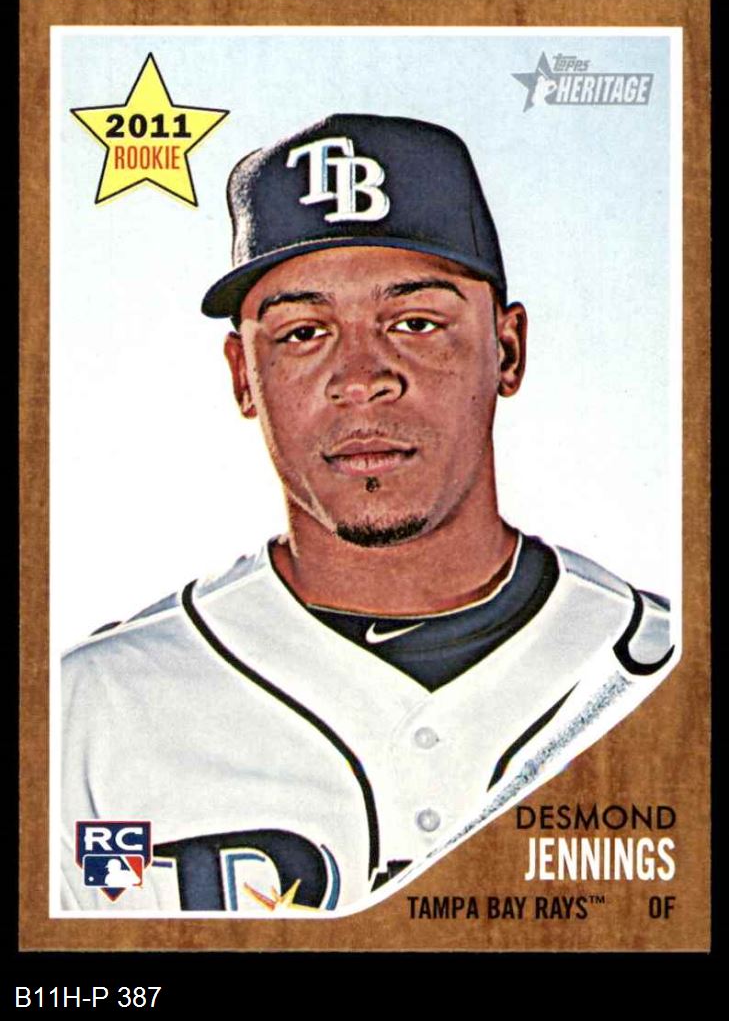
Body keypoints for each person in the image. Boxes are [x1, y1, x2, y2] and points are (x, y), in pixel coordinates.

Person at [61, 114, 675, 915]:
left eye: (414, 322)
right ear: (243, 375)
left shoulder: (671, 675)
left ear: (507, 348)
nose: (360, 377)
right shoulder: (88, 714)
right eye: (303, 332)